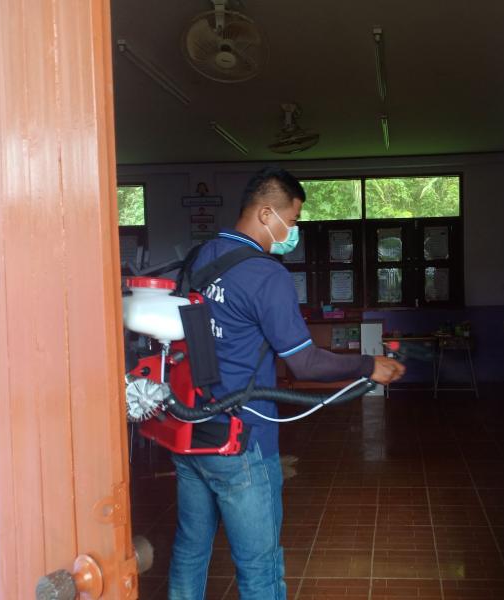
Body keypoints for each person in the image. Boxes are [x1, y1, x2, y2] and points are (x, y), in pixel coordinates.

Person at [167, 167, 405, 600]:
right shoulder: (266, 274)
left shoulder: (202, 256)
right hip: (243, 440)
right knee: (259, 567)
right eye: (291, 221)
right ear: (265, 213)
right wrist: (369, 365)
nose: (292, 232)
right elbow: (304, 362)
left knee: (190, 549)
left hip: (190, 429)